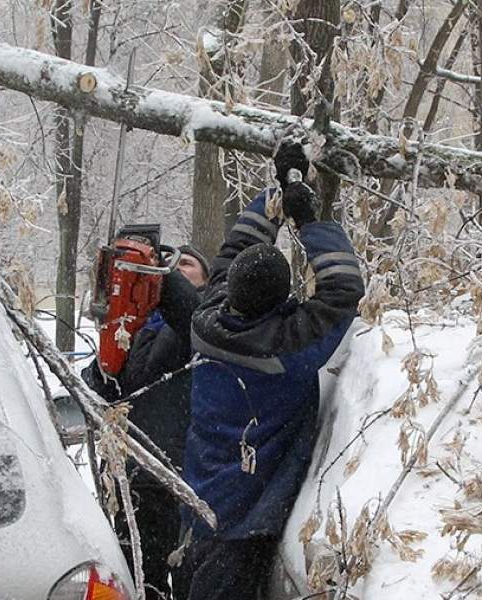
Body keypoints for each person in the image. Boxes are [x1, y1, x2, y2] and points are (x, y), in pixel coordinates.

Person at [181, 142, 365, 599]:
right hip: (246, 523)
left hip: (200, 504)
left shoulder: (206, 319)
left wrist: (278, 194)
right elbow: (343, 288)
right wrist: (309, 220)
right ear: (283, 301)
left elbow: (239, 245)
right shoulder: (287, 349)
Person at [83, 245, 210, 600]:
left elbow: (190, 316)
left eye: (186, 264)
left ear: (206, 279)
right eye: (171, 264)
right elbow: (103, 389)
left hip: (182, 478)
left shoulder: (206, 320)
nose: (176, 268)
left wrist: (159, 275)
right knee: (140, 583)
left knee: (187, 582)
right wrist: (107, 354)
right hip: (135, 478)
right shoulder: (137, 324)